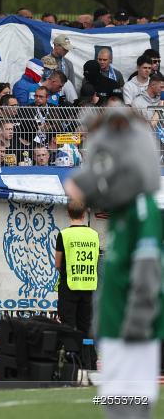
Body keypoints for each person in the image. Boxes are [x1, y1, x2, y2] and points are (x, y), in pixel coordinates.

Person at [64, 106, 162, 418]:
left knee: (130, 408)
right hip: (115, 330)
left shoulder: (143, 211)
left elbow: (148, 273)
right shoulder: (119, 215)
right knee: (114, 407)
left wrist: (136, 322)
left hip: (132, 332)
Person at [54, 199, 99, 345]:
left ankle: (69, 361)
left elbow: (57, 264)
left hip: (70, 286)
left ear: (68, 213)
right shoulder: (94, 235)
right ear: (85, 213)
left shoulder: (64, 234)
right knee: (85, 328)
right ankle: (88, 361)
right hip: (89, 288)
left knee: (67, 326)